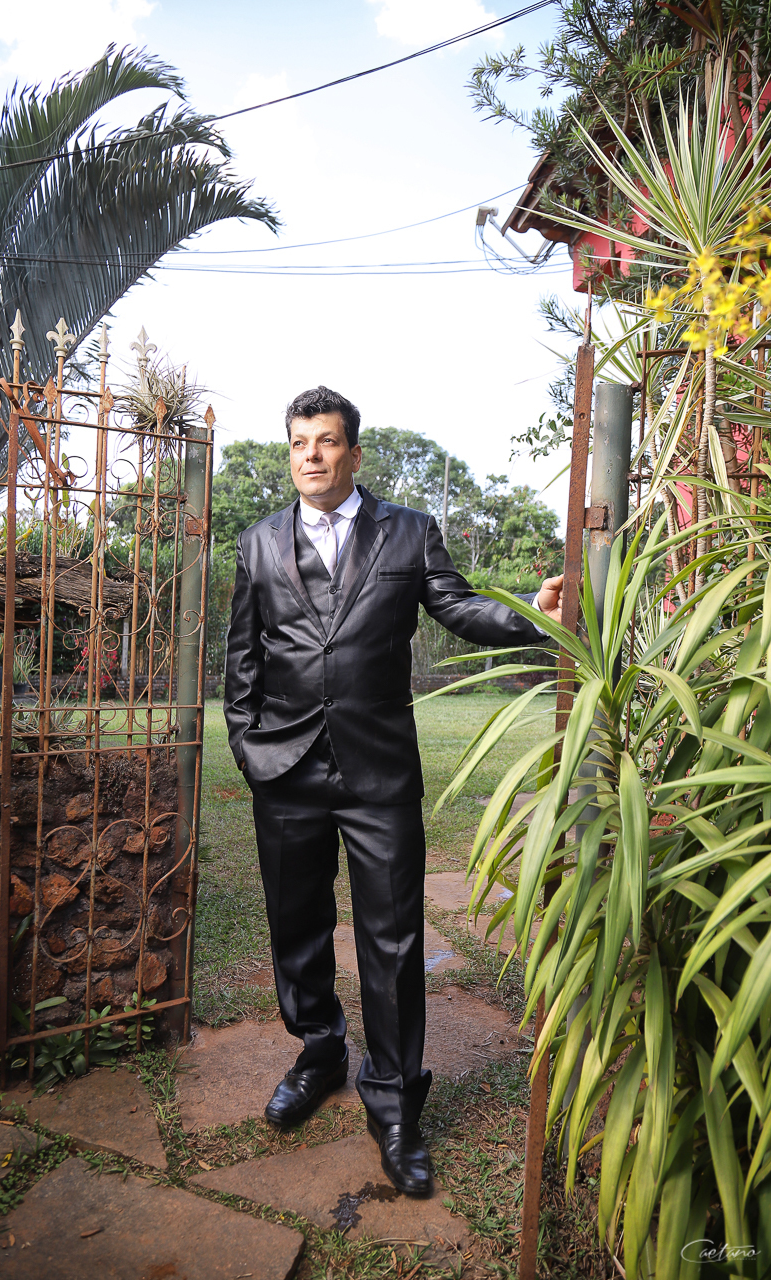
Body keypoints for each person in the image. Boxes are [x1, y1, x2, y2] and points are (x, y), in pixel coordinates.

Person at [224, 386, 562, 1196]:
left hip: (377, 770)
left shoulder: (407, 531)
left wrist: (531, 612)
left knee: (394, 938)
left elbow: (458, 608)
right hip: (286, 769)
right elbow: (243, 656)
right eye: (298, 442)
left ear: (353, 452)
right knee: (296, 926)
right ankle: (318, 1053)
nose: (310, 456)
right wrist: (246, 744)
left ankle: (395, 1100)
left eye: (325, 441)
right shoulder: (258, 541)